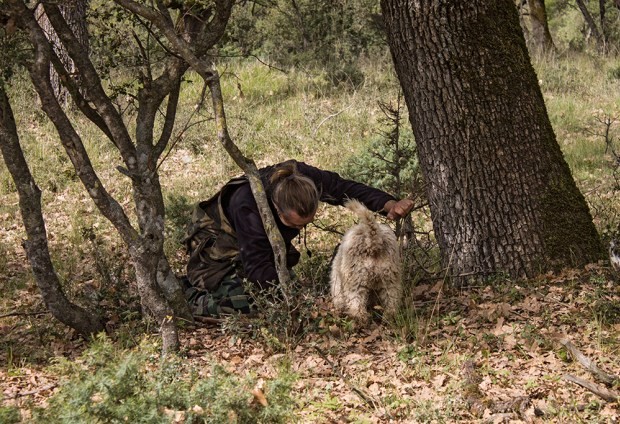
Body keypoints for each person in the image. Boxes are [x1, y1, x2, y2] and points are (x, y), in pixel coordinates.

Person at [181, 159, 414, 317]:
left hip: (260, 246)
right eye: (293, 225)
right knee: (246, 305)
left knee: (281, 288)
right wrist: (295, 304)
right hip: (216, 252)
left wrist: (387, 203)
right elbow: (259, 269)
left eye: (307, 223)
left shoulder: (304, 179)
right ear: (275, 209)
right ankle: (184, 293)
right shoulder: (248, 206)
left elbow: (345, 188)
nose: (301, 229)